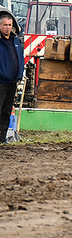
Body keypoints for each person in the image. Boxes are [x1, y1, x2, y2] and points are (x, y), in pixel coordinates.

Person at [0, 7, 23, 144]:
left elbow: (20, 58)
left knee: (6, 111)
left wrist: (19, 74)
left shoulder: (15, 41)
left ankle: (2, 138)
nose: (8, 28)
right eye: (5, 25)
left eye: (10, 25)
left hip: (12, 83)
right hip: (1, 82)